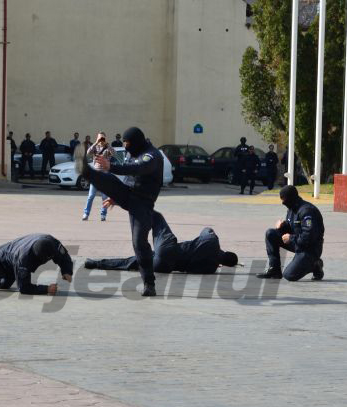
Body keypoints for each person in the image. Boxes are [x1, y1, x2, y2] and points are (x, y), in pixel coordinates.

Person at [76, 126, 163, 296]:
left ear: (137, 142)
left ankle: (149, 284)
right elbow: (130, 178)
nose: (126, 148)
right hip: (129, 194)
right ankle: (86, 171)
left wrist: (111, 166)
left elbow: (137, 168)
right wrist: (115, 197)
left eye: (128, 144)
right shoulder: (133, 151)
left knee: (139, 242)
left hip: (143, 204)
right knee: (110, 181)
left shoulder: (152, 156)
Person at [85, 211, 238, 274]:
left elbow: (207, 229)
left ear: (226, 252)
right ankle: (95, 264)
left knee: (157, 217)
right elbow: (191, 270)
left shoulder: (213, 241)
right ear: (224, 264)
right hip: (164, 266)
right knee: (133, 262)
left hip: (169, 248)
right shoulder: (211, 268)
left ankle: (134, 207)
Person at [257, 185, 325, 281]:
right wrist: (283, 226)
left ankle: (315, 264)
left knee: (289, 275)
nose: (282, 202)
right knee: (271, 233)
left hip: (310, 249)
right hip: (298, 243)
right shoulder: (292, 208)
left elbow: (309, 237)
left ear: (291, 198)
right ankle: (274, 269)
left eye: (284, 199)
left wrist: (291, 238)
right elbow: (293, 227)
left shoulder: (307, 211)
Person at [83, 132, 113, 221]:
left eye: (103, 138)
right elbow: (88, 152)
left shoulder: (107, 148)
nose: (101, 140)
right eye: (100, 138)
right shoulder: (95, 147)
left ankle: (103, 215)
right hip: (95, 176)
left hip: (104, 176)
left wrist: (107, 145)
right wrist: (96, 142)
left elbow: (114, 153)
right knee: (91, 196)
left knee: (104, 197)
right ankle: (86, 214)